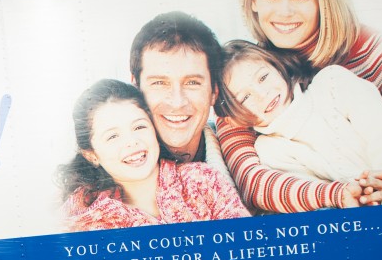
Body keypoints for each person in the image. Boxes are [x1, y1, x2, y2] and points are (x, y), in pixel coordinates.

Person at [217, 0, 382, 212]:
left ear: (323, 1)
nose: (284, 12)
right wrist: (339, 196)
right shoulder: (242, 74)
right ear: (253, 1)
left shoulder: (364, 58)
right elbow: (252, 181)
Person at [215, 40, 382, 200]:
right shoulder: (270, 151)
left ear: (278, 66)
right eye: (245, 97)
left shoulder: (332, 83)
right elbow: (320, 202)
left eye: (263, 77)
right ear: (234, 118)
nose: (262, 94)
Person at [59, 79, 249, 230]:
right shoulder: (83, 222)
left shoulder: (203, 180)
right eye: (113, 136)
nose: (131, 142)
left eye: (139, 127)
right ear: (91, 154)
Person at [129, 11, 234, 187]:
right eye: (159, 83)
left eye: (192, 82)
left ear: (214, 91)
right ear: (136, 88)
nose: (177, 102)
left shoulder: (249, 159)